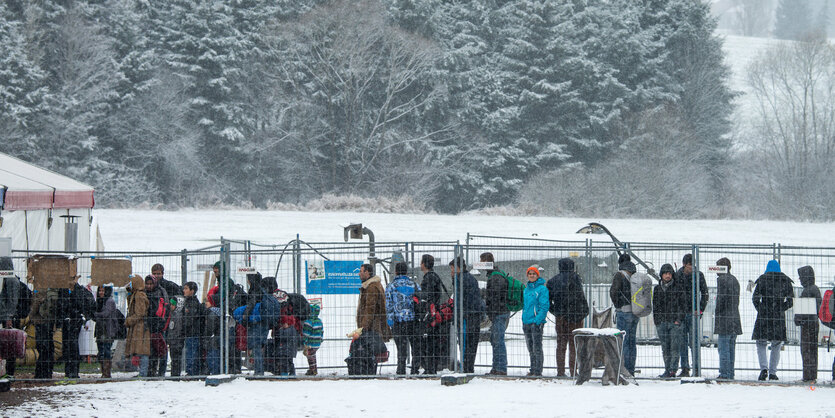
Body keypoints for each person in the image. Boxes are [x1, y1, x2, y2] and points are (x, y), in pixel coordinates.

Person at [752, 259, 794, 381]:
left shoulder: (762, 279)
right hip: (778, 317)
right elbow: (790, 301)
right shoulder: (785, 281)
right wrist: (781, 308)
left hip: (764, 316)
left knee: (761, 342)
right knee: (776, 344)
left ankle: (763, 369)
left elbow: (755, 298)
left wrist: (761, 308)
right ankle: (773, 372)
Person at [547, 258, 589, 377]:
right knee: (574, 344)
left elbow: (548, 301)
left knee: (561, 344)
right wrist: (584, 311)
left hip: (561, 317)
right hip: (575, 316)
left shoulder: (552, 281)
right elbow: (580, 296)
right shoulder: (576, 278)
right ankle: (573, 371)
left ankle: (560, 371)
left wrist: (556, 312)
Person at [385, 262, 421, 375]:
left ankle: (401, 369)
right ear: (406, 271)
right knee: (415, 346)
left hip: (398, 321)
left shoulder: (391, 286)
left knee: (401, 347)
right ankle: (415, 369)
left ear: (396, 271)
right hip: (413, 321)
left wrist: (390, 321)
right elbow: (420, 301)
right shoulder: (414, 285)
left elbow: (388, 305)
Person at [450, 256, 484, 374]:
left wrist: (457, 315)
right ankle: (469, 366)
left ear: (457, 268)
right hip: (474, 315)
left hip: (465, 316)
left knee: (464, 343)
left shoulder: (460, 279)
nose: (451, 271)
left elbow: (460, 300)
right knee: (472, 343)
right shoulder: (472, 279)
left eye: (452, 268)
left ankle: (465, 367)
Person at [676, 253, 708, 377]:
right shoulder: (677, 275)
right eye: (689, 265)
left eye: (692, 265)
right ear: (684, 264)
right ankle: (685, 368)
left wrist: (700, 310)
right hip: (681, 314)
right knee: (682, 342)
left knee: (694, 342)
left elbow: (705, 293)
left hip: (693, 313)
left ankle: (696, 368)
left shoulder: (698, 275)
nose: (691, 268)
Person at [652, 264, 685, 378]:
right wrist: (657, 321)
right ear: (661, 275)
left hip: (674, 322)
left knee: (674, 347)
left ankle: (673, 370)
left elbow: (682, 305)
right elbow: (655, 306)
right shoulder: (657, 289)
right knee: (665, 347)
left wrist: (678, 320)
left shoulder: (678, 287)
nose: (667, 275)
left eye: (669, 273)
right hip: (662, 322)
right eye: (665, 273)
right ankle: (667, 369)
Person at [609, 253, 638, 376]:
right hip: (635, 312)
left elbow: (613, 292)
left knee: (623, 341)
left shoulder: (619, 275)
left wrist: (618, 305)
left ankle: (624, 370)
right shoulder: (635, 275)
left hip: (623, 312)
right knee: (632, 341)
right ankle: (631, 369)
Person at [60, 280, 95, 379]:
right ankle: (70, 372)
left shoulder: (77, 291)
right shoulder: (74, 290)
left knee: (72, 346)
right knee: (69, 346)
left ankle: (72, 372)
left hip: (73, 321)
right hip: (72, 321)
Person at [714, 257, 741, 380]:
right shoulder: (734, 279)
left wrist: (717, 311)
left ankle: (724, 373)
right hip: (734, 317)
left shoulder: (722, 280)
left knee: (723, 348)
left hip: (725, 318)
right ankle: (730, 373)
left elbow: (721, 299)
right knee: (731, 348)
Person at [483, 252, 509, 376]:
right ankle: (497, 367)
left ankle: (501, 368)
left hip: (498, 313)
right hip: (499, 312)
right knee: (496, 340)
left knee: (498, 341)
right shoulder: (495, 275)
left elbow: (495, 297)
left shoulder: (494, 277)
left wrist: (490, 310)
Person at [419, 254, 445, 374]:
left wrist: (419, 296)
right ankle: (432, 366)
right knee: (434, 342)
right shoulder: (435, 276)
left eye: (421, 262)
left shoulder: (428, 278)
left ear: (424, 264)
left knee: (429, 342)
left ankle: (430, 368)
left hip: (430, 314)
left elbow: (427, 296)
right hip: (435, 312)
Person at [795, 265, 821, 382]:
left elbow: (803, 311)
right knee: (812, 349)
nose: (800, 280)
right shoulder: (815, 288)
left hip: (807, 325)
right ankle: (812, 374)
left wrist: (798, 319)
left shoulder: (808, 290)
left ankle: (807, 375)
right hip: (813, 323)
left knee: (806, 350)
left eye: (801, 277)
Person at [522, 265, 548, 376]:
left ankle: (538, 370)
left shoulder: (542, 289)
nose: (532, 275)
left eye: (534, 274)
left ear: (537, 275)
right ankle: (532, 368)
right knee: (530, 346)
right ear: (527, 275)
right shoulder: (526, 289)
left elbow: (544, 306)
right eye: (530, 273)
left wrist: (538, 320)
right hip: (526, 321)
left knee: (537, 347)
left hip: (536, 322)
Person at [357, 263, 391, 343]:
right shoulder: (373, 285)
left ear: (367, 272)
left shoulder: (371, 287)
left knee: (372, 351)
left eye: (361, 271)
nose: (359, 274)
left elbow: (370, 309)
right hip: (375, 326)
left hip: (373, 328)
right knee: (375, 351)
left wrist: (363, 328)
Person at [125, 275, 151, 377]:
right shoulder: (134, 294)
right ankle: (142, 372)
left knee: (143, 350)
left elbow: (140, 313)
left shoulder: (139, 295)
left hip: (141, 327)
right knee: (139, 350)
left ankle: (143, 373)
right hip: (137, 326)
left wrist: (129, 321)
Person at [242, 273, 268, 375]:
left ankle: (259, 371)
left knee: (256, 347)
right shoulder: (263, 290)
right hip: (264, 321)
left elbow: (251, 305)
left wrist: (245, 316)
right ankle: (259, 369)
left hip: (256, 321)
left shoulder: (254, 291)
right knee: (260, 346)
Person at [144, 275, 169, 377]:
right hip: (148, 325)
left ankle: (161, 371)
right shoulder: (144, 293)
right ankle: (151, 370)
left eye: (151, 284)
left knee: (161, 349)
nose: (149, 286)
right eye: (147, 284)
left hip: (158, 325)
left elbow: (164, 310)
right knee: (151, 350)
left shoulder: (160, 292)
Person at [0, 257, 20, 377]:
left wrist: (9, 316)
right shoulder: (5, 280)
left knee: (8, 346)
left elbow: (12, 301)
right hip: (4, 315)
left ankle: (9, 372)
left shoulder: (11, 281)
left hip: (7, 317)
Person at [182, 281, 206, 376]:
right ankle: (192, 371)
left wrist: (184, 325)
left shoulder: (192, 303)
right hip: (191, 333)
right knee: (191, 353)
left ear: (192, 291)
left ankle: (192, 372)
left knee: (191, 354)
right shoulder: (188, 301)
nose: (184, 290)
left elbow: (190, 319)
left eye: (186, 288)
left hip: (193, 333)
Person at [94, 286, 118, 378]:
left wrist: (95, 314)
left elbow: (106, 314)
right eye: (99, 290)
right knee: (101, 350)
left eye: (103, 291)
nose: (101, 292)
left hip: (108, 330)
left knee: (106, 350)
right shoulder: (99, 301)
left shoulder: (109, 301)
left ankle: (107, 372)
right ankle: (104, 372)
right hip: (100, 330)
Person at [302, 304, 323, 376]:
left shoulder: (308, 322)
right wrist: (321, 339)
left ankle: (312, 370)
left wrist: (304, 341)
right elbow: (322, 331)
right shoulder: (319, 321)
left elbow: (306, 333)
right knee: (313, 355)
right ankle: (314, 369)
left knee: (310, 356)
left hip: (310, 343)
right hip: (317, 343)